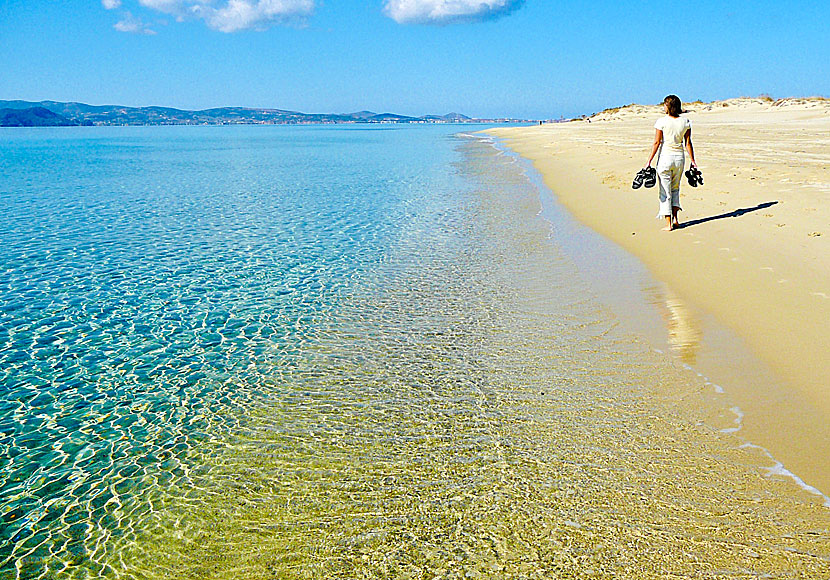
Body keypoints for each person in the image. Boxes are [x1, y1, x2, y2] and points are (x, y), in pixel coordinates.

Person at [644, 95, 698, 231]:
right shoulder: (685, 121)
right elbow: (688, 143)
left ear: (668, 106)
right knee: (675, 189)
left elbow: (657, 142)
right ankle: (675, 219)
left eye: (664, 104)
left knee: (664, 191)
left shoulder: (661, 121)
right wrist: (693, 161)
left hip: (665, 159)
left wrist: (649, 160)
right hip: (679, 159)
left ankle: (668, 224)